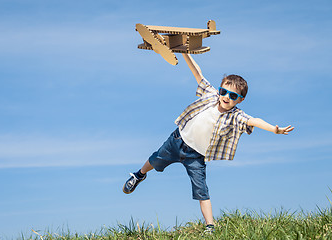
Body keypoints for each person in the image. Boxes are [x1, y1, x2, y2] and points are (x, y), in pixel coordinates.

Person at [122, 53, 294, 234]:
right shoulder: (211, 96)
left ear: (240, 99)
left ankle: (210, 227)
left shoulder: (237, 116)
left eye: (233, 95)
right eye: (224, 91)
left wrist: (274, 129)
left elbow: (255, 120)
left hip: (196, 156)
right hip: (177, 140)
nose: (226, 97)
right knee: (156, 160)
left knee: (201, 190)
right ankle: (139, 175)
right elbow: (198, 73)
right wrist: (185, 53)